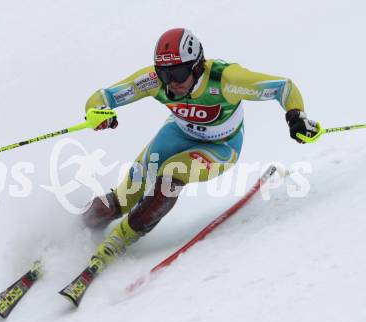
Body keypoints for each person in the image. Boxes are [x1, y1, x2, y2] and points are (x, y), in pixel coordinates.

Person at [60, 28, 319, 305]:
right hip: (177, 134)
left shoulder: (226, 79)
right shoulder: (155, 80)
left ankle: (121, 238)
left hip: (219, 147)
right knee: (124, 196)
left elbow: (283, 87)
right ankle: (73, 226)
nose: (171, 83)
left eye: (179, 74)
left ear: (198, 66)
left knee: (170, 177)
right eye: (165, 74)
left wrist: (296, 117)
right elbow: (104, 95)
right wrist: (98, 113)